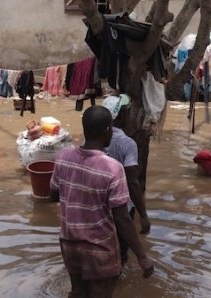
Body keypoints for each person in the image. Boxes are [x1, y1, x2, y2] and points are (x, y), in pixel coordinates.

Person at [50, 106, 154, 298]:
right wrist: (142, 256)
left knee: (77, 293)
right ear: (108, 131)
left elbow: (54, 195)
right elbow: (122, 218)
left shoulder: (63, 157)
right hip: (99, 248)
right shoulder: (113, 168)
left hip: (69, 243)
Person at [102, 95, 151, 265]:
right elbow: (132, 182)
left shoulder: (91, 138)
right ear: (122, 114)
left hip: (99, 204)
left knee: (103, 247)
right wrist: (143, 215)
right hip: (122, 206)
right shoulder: (126, 143)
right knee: (121, 251)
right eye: (127, 111)